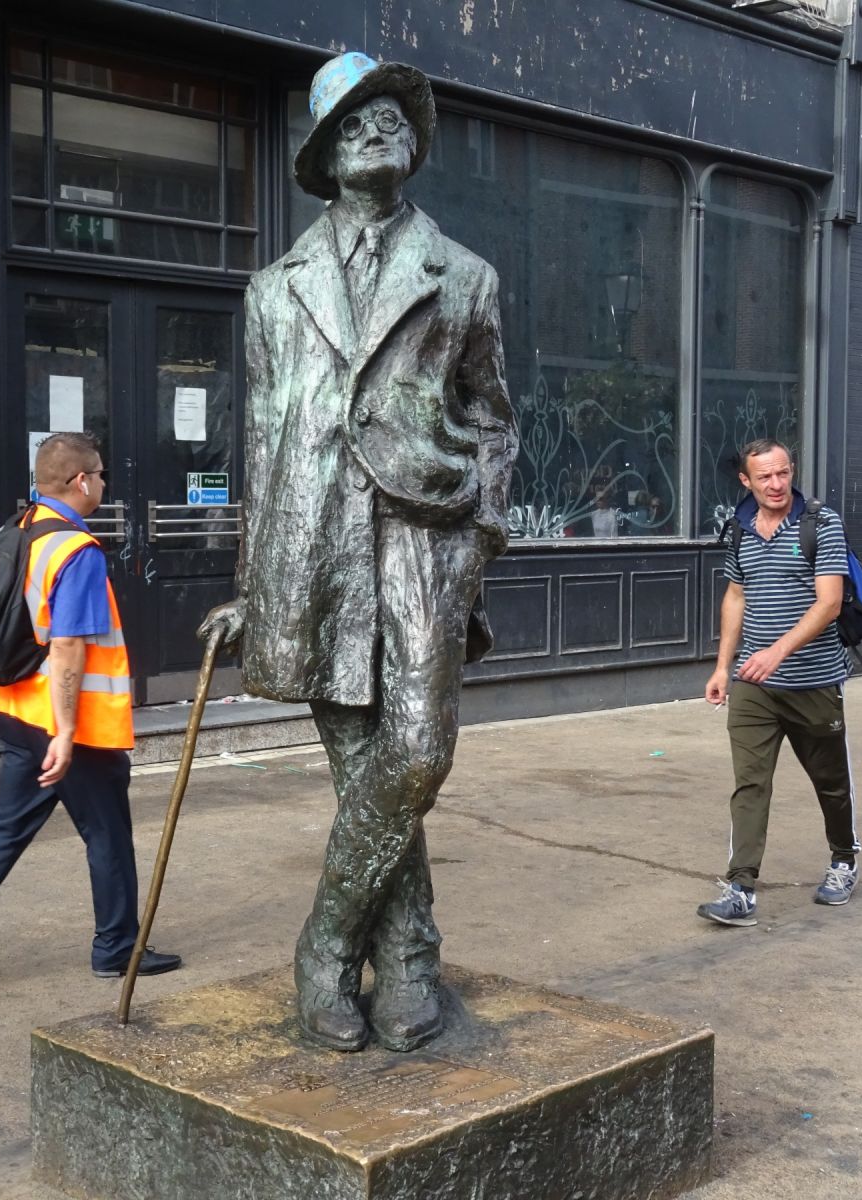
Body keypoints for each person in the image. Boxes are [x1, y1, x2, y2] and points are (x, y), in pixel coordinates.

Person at [198, 52, 516, 1052]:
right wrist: (259, 581)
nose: (378, 125)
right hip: (315, 551)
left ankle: (325, 947)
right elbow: (265, 440)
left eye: (392, 113)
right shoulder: (272, 291)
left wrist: (479, 542)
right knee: (359, 768)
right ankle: (409, 958)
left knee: (417, 754)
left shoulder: (462, 277)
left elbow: (494, 424)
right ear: (324, 153)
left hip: (425, 541)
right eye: (354, 117)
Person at [0, 432, 180, 993]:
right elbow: (69, 644)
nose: (103, 483)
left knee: (2, 831)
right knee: (107, 834)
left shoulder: (17, 529)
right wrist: (69, 730)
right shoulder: (75, 550)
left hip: (12, 709)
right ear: (82, 481)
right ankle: (117, 950)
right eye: (100, 475)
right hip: (68, 728)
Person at [697, 438, 860, 928]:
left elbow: (828, 603)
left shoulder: (821, 523)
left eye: (783, 473)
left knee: (830, 783)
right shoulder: (741, 529)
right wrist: (724, 666)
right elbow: (735, 597)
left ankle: (843, 860)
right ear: (745, 481)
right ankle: (741, 887)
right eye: (764, 477)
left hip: (813, 681)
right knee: (750, 784)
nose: (776, 484)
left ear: (792, 472)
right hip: (754, 685)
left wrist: (777, 651)